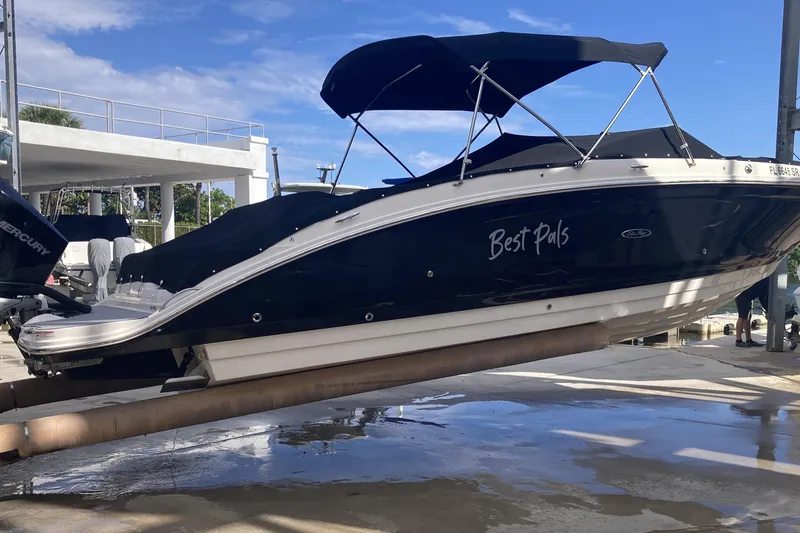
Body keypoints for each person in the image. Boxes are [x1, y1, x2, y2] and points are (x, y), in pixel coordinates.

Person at [734, 278, 769, 348]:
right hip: (742, 295)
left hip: (746, 296)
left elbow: (762, 297)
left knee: (748, 317)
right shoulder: (768, 283)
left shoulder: (765, 280)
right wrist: (768, 309)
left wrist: (767, 309)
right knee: (742, 317)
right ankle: (738, 340)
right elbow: (763, 298)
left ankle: (749, 340)